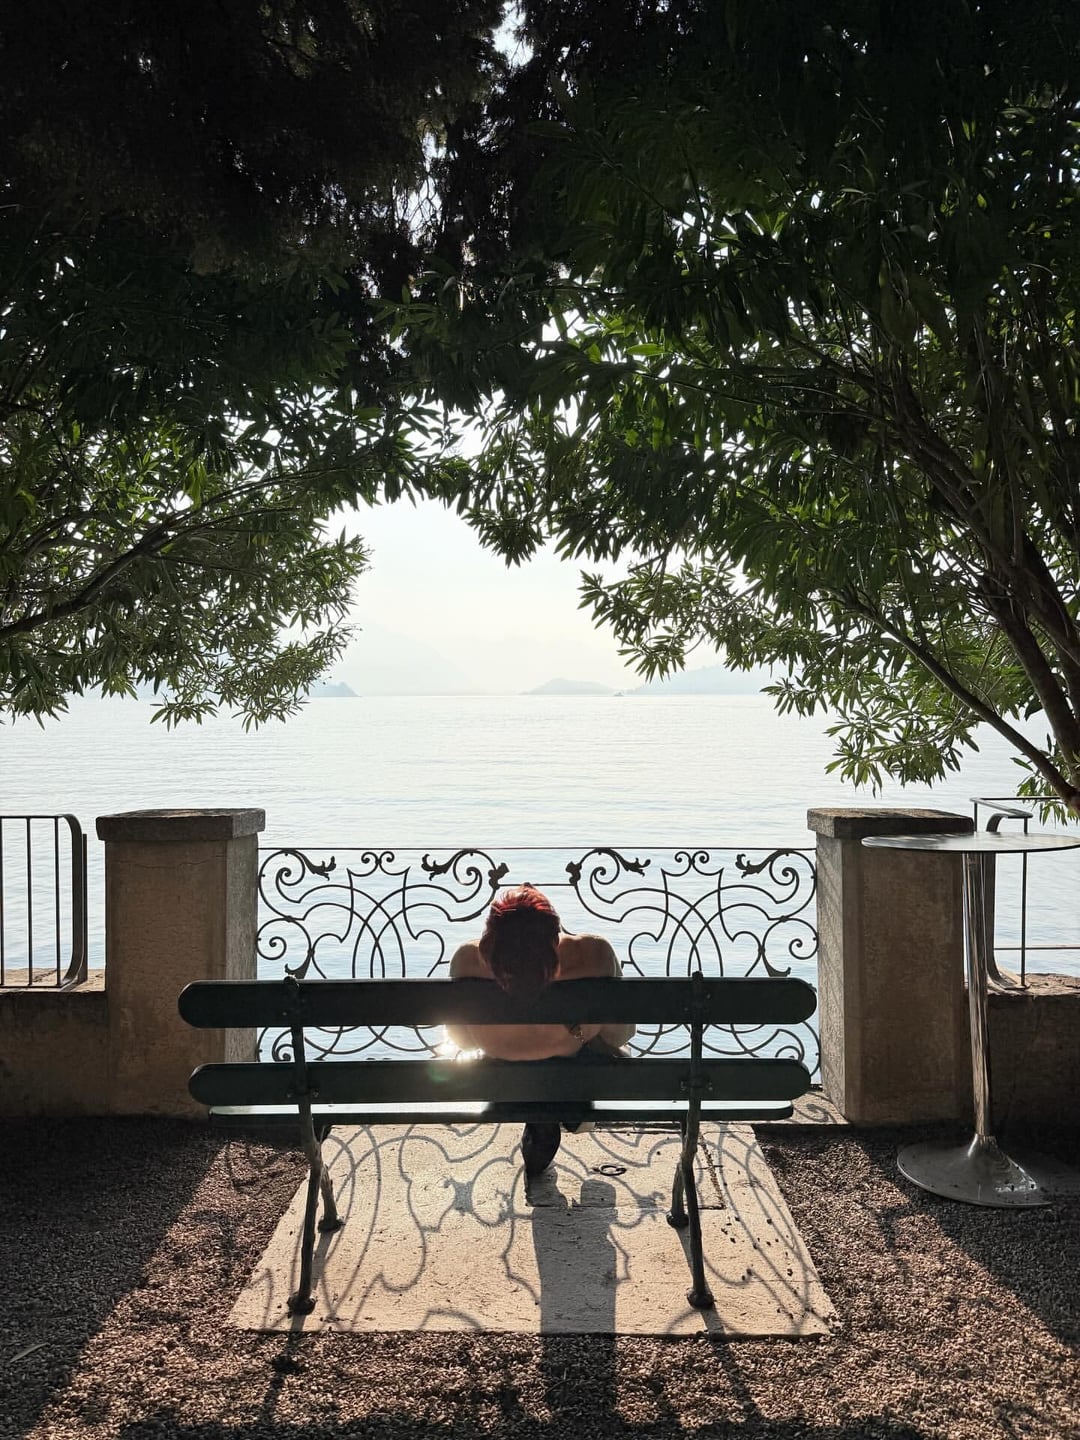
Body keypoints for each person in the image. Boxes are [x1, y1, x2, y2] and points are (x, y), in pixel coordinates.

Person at [447, 884, 633, 1177]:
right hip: (573, 1075)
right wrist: (578, 1029)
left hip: (499, 1083)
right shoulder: (594, 953)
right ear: (554, 935)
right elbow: (620, 1035)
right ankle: (557, 1111)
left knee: (526, 1071)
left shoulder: (466, 959)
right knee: (601, 1054)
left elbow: (462, 1041)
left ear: (490, 939)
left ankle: (540, 1119)